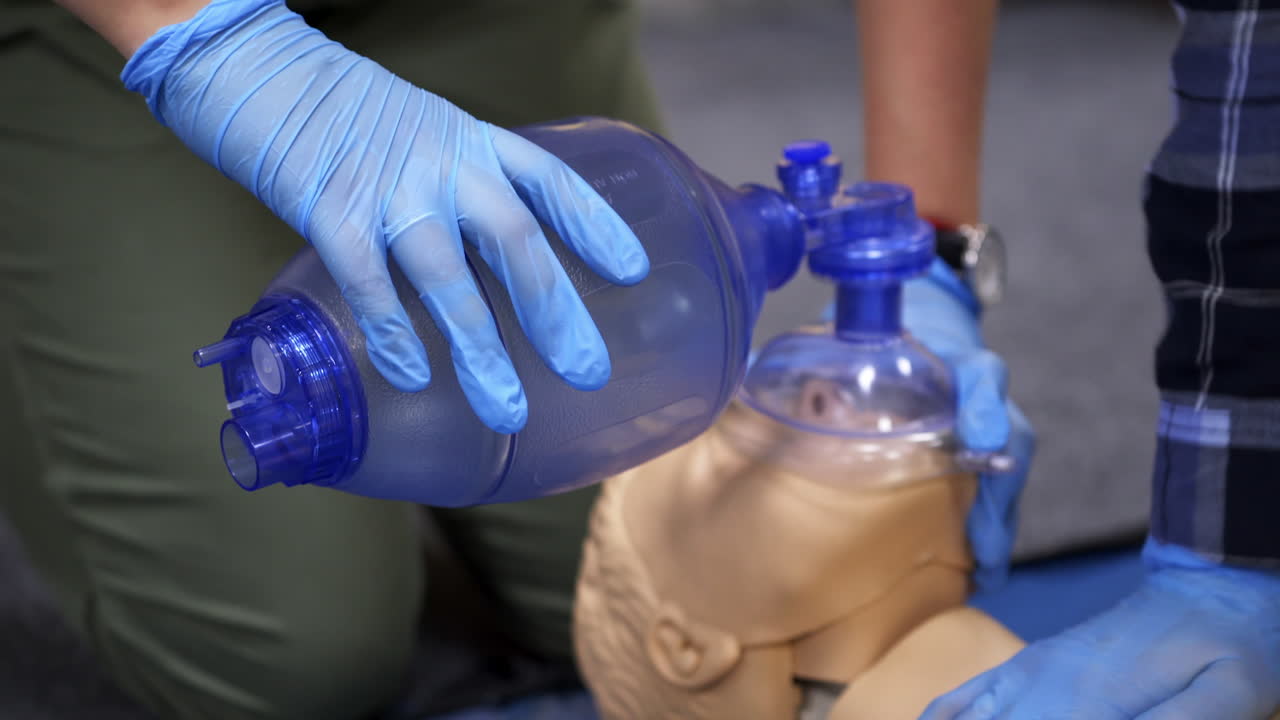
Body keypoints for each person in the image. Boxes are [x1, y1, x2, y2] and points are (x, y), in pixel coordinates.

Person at [0, 0, 1274, 719]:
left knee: (626, 552)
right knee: (289, 662)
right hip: (132, 33)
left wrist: (929, 247)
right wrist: (218, 45)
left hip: (479, 16)